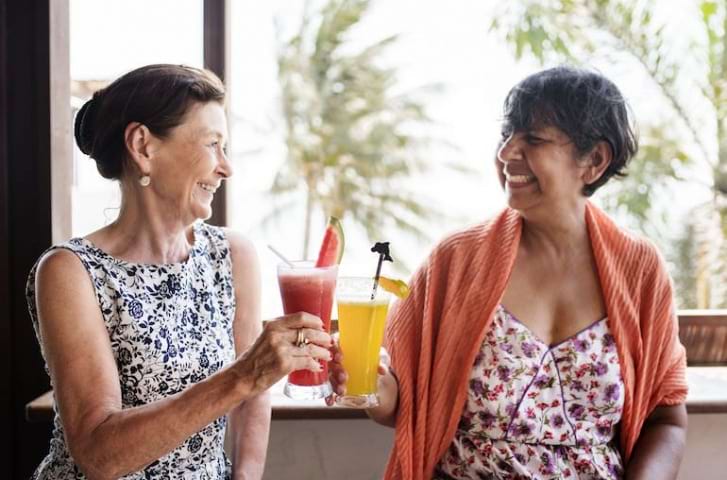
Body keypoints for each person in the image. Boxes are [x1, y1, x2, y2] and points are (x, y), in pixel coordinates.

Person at [328, 66, 688, 479]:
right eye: (506, 136)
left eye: (533, 139)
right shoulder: (455, 259)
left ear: (594, 160)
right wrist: (363, 381)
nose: (506, 153)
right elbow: (401, 404)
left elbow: (667, 420)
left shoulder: (641, 270)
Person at [26, 64, 332, 479]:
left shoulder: (232, 255)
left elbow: (253, 398)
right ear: (143, 146)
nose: (226, 167)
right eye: (212, 144)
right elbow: (99, 455)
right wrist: (241, 376)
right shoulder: (70, 271)